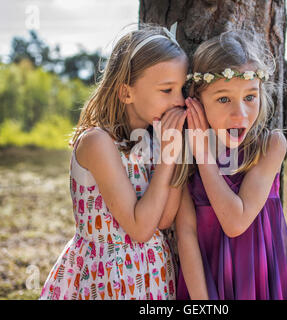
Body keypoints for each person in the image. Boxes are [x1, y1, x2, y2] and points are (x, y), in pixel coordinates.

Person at [39, 23, 188, 300]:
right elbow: (141, 228)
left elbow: (164, 219)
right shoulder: (98, 142)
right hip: (106, 277)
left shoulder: (154, 142)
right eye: (167, 90)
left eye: (182, 89)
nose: (180, 101)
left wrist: (175, 151)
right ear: (126, 92)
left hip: (152, 277)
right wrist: (169, 156)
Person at [176, 30, 287, 300]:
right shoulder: (183, 154)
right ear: (196, 100)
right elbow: (185, 234)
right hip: (203, 286)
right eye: (223, 99)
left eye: (250, 97)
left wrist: (204, 156)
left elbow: (235, 222)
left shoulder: (270, 146)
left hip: (254, 283)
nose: (240, 113)